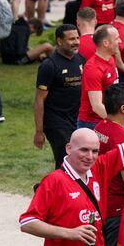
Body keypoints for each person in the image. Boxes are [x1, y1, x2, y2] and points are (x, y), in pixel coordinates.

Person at [19, 97, 124, 246]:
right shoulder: (53, 181)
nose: (90, 156)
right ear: (68, 148)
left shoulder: (99, 167)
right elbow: (28, 222)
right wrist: (70, 233)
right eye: (84, 150)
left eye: (95, 151)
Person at [33, 24, 84, 168]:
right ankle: (56, 189)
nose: (76, 42)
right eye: (71, 39)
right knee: (67, 161)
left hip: (76, 120)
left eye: (77, 38)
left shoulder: (80, 59)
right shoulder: (49, 65)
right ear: (60, 41)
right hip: (56, 123)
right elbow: (39, 100)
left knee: (75, 161)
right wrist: (39, 132)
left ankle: (49, 188)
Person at [93, 83, 124, 246]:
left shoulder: (100, 127)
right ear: (123, 109)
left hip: (101, 203)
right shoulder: (123, 141)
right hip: (117, 210)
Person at [78, 25, 120, 129]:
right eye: (116, 38)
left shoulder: (110, 59)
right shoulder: (93, 68)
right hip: (93, 123)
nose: (120, 41)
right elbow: (96, 106)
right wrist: (120, 123)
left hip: (108, 118)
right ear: (106, 43)